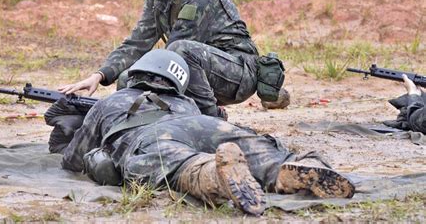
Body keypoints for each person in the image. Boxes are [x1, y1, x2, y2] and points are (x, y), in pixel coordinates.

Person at [61, 49, 355, 216]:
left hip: (151, 138)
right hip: (206, 125)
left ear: (132, 76)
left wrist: (68, 129)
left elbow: (74, 158)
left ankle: (218, 176)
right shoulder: (186, 101)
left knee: (186, 165)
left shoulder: (111, 101)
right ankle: (294, 168)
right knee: (257, 148)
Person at [58, 0, 288, 119]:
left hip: (237, 74)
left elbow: (172, 59)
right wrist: (99, 76)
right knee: (129, 79)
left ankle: (212, 121)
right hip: (201, 71)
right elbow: (137, 43)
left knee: (176, 54)